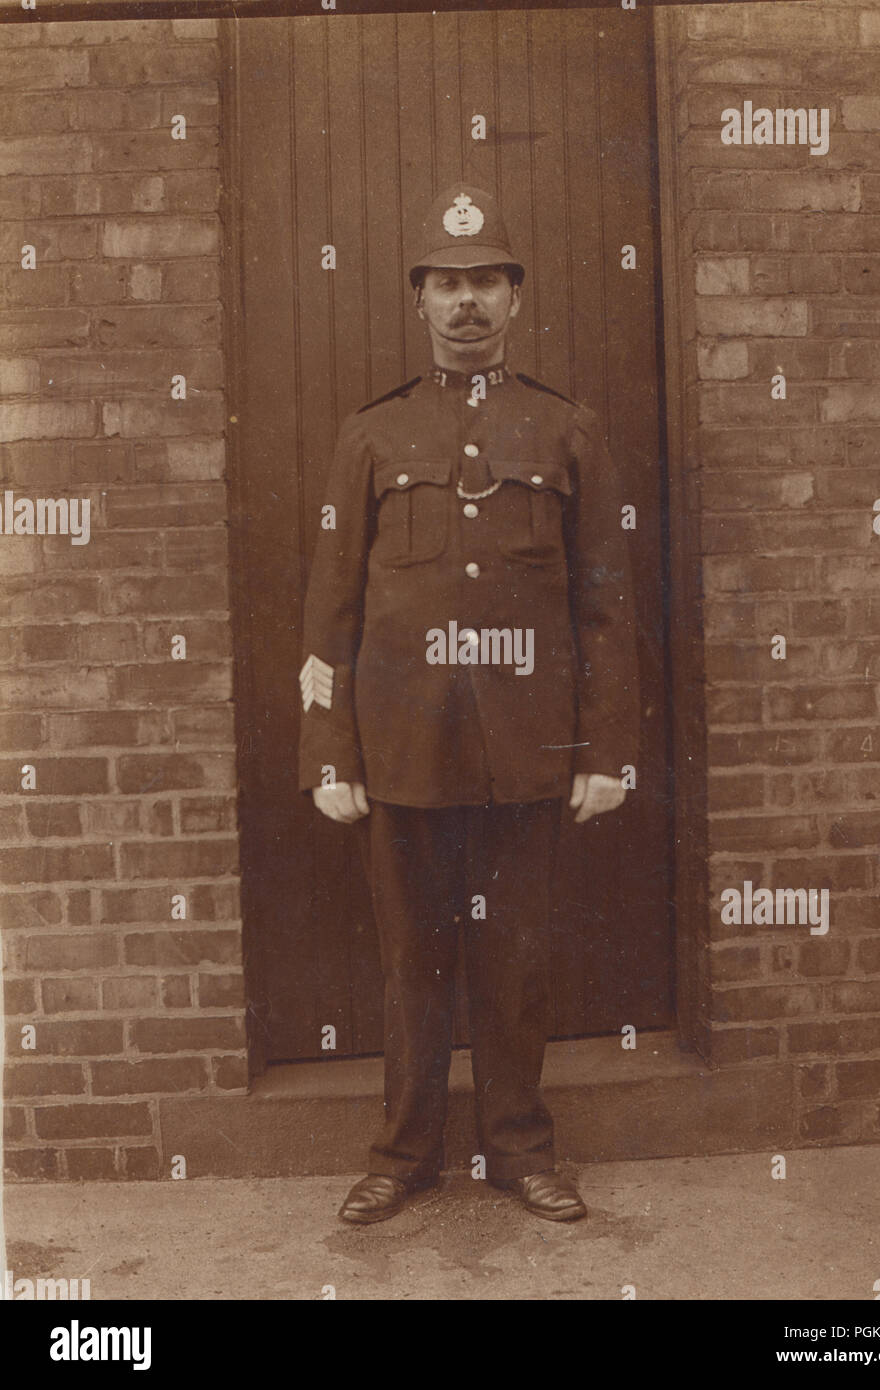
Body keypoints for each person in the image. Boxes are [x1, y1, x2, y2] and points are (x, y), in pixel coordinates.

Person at [298, 184, 641, 1224]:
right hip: (401, 750)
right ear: (420, 301)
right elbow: (331, 605)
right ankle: (403, 1154)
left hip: (529, 750)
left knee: (517, 958)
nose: (466, 305)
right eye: (446, 284)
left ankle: (517, 1149)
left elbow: (606, 611)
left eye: (485, 282)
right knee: (410, 963)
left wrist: (604, 752)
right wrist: (330, 754)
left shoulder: (567, 429)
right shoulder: (371, 436)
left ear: (514, 298)